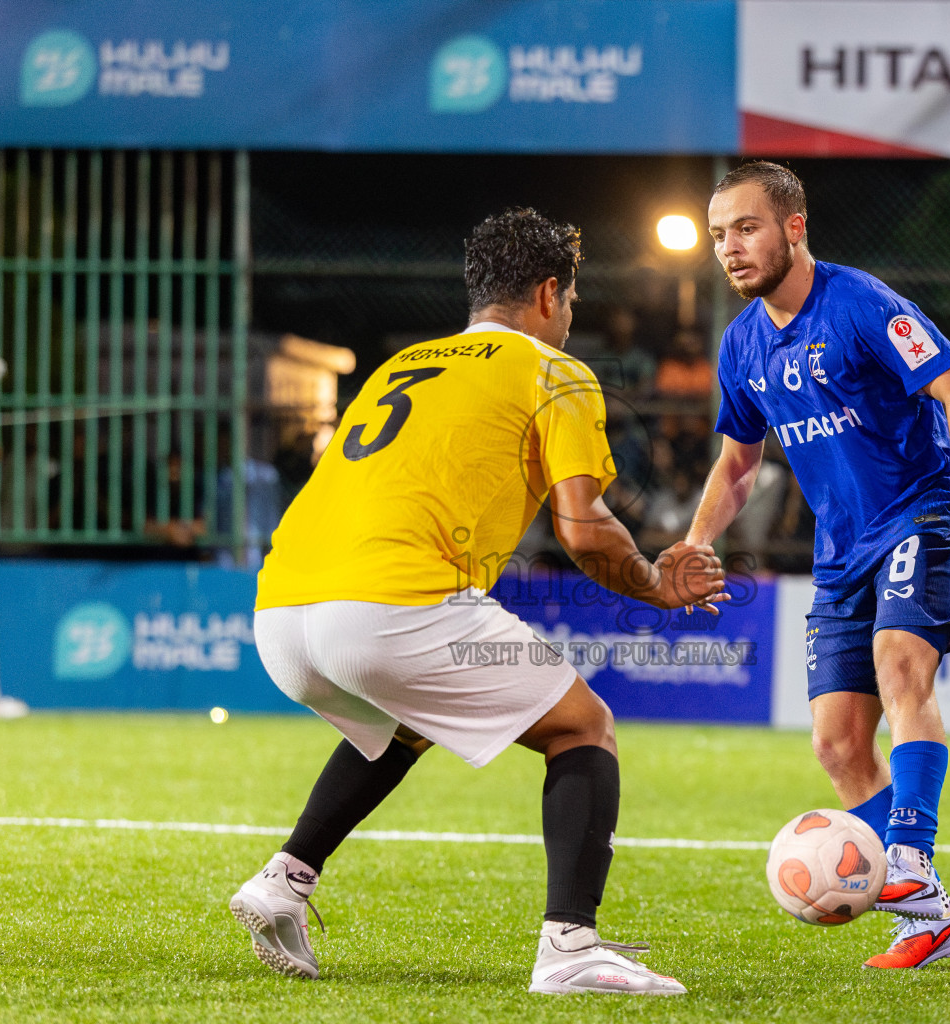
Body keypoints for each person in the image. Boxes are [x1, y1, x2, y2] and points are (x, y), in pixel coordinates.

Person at [228, 208, 724, 996]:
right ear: (549, 292)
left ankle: (283, 880)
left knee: (410, 722)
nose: (570, 315)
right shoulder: (552, 369)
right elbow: (584, 526)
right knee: (583, 725)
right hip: (388, 607)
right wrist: (655, 584)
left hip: (280, 612)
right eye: (571, 299)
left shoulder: (401, 363)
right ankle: (570, 946)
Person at [687, 162, 950, 969]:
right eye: (719, 234)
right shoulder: (742, 345)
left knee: (900, 665)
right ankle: (933, 919)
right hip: (842, 556)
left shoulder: (859, 302)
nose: (730, 248)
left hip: (921, 515)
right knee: (836, 745)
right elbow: (736, 467)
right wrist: (696, 543)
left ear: (795, 227)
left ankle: (907, 864)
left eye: (747, 227)